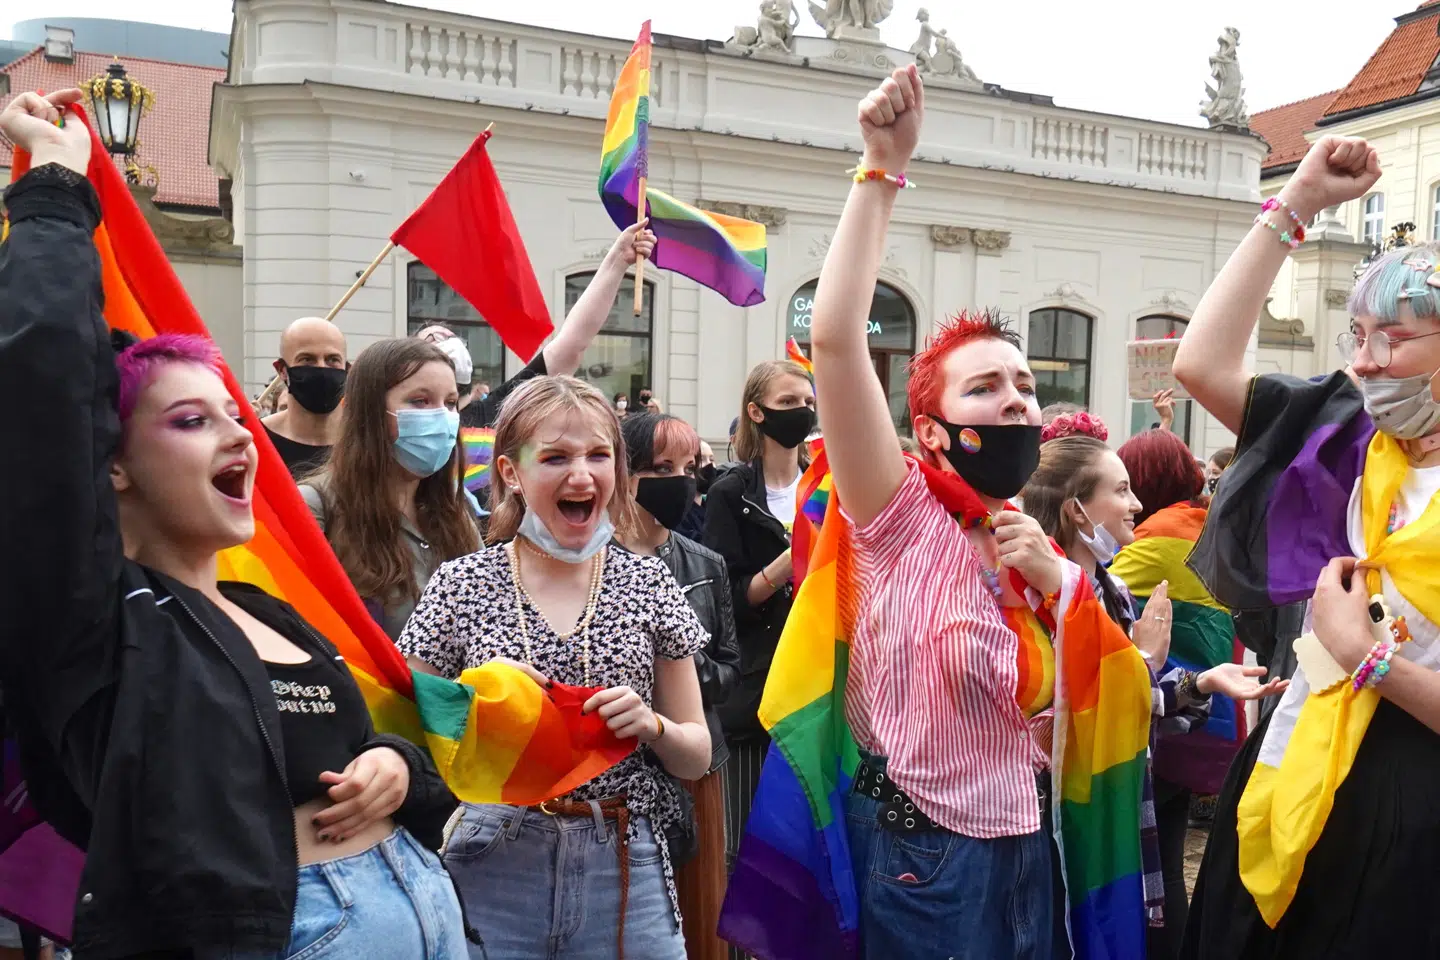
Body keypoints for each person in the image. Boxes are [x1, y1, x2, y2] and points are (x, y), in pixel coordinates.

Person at [0, 89, 463, 960]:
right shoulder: (95, 618)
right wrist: (56, 188)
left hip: (424, 911)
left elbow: (362, 738)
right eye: (190, 421)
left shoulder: (269, 608)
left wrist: (396, 768)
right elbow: (44, 389)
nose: (241, 436)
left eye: (234, 415)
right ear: (111, 463)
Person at [803, 64, 1162, 959]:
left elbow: (1106, 697)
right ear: (930, 430)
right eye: (985, 386)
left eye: (1027, 384)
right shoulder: (897, 514)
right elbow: (836, 340)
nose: (1015, 399)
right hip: (924, 858)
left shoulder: (1036, 548)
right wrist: (881, 167)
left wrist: (1063, 588)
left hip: (1034, 846)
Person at [1173, 133, 1440, 958]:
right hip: (1296, 768)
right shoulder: (1351, 439)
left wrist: (1368, 659)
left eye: (1392, 337)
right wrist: (1298, 204)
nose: (1366, 362)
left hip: (1415, 815)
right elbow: (1200, 363)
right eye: (1355, 336)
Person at [396, 375, 712, 959]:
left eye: (599, 455)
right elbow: (399, 731)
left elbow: (696, 756)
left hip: (625, 861)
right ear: (511, 472)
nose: (582, 476)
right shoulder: (461, 583)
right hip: (495, 858)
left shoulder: (650, 581)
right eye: (556, 457)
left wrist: (653, 726)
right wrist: (472, 698)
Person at [1023, 435, 1283, 959]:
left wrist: (1200, 682)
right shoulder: (1035, 599)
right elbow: (1065, 719)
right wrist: (1143, 664)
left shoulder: (1113, 591)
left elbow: (1133, 704)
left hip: (1119, 801)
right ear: (1076, 510)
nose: (1137, 504)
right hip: (1064, 820)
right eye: (1121, 490)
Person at [619, 412, 741, 960]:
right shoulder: (592, 564)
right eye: (662, 468)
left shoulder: (705, 563)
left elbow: (730, 671)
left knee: (696, 914)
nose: (681, 482)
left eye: (689, 468)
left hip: (696, 764)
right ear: (625, 474)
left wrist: (677, 656)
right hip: (622, 772)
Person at [702, 359, 814, 863]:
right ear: (757, 412)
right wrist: (788, 563)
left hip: (821, 686)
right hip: (758, 691)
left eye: (807, 402)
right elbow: (724, 600)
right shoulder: (731, 493)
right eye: (788, 402)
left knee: (806, 851)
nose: (802, 411)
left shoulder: (826, 487)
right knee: (745, 850)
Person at [299, 338, 479, 641]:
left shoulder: (456, 513)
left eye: (450, 403)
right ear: (369, 412)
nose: (442, 417)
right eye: (420, 401)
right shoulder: (315, 506)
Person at [418, 221, 655, 430]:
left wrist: (617, 260)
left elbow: (570, 345)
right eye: (431, 340)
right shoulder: (402, 427)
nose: (445, 344)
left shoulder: (494, 412)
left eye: (450, 338)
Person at [261, 315, 348, 479]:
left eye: (332, 360)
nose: (321, 368)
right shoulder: (257, 442)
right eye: (307, 359)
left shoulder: (367, 441)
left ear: (347, 369)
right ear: (282, 370)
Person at [678, 439, 717, 543]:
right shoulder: (679, 514)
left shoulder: (712, 508)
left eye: (712, 459)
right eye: (702, 459)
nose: (710, 465)